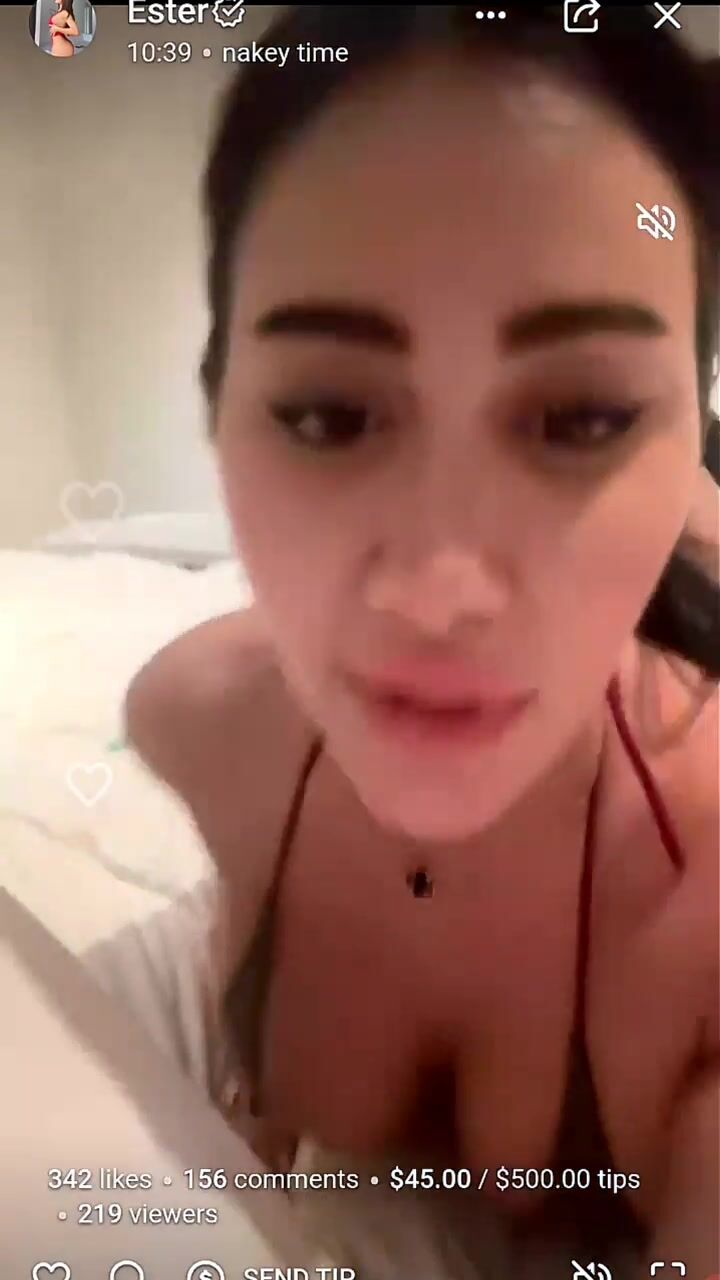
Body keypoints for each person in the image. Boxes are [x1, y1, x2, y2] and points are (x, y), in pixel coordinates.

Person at [82, 7, 719, 1276]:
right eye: (328, 413)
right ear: (217, 411)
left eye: (584, 416)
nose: (439, 591)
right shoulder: (194, 716)